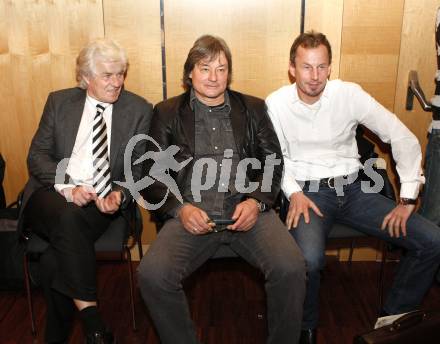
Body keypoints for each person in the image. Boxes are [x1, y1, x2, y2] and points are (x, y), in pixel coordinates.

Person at [266, 31, 440, 344]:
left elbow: (400, 136)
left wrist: (409, 196)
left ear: (330, 68)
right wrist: (293, 193)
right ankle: (305, 328)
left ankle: (392, 320)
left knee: (432, 240)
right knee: (309, 259)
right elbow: (274, 159)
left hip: (355, 190)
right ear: (292, 68)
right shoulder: (276, 103)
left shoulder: (348, 94)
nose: (314, 76)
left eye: (321, 67)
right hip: (309, 192)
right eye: (306, 67)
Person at [137, 35, 306, 344]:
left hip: (248, 211)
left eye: (221, 68)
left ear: (230, 72)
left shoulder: (253, 108)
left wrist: (257, 201)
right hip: (192, 214)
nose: (213, 77)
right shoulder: (167, 112)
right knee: (152, 275)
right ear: (190, 73)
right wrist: (180, 209)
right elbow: (149, 173)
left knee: (291, 267)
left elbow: (273, 162)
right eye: (205, 68)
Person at [21, 38, 152, 343]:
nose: (117, 82)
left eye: (121, 73)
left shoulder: (139, 110)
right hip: (51, 195)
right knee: (68, 216)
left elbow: (139, 169)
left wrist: (119, 194)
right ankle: (93, 321)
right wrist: (69, 187)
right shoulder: (59, 102)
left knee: (55, 260)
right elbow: (36, 156)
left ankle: (69, 334)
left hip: (101, 203)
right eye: (108, 75)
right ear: (86, 77)